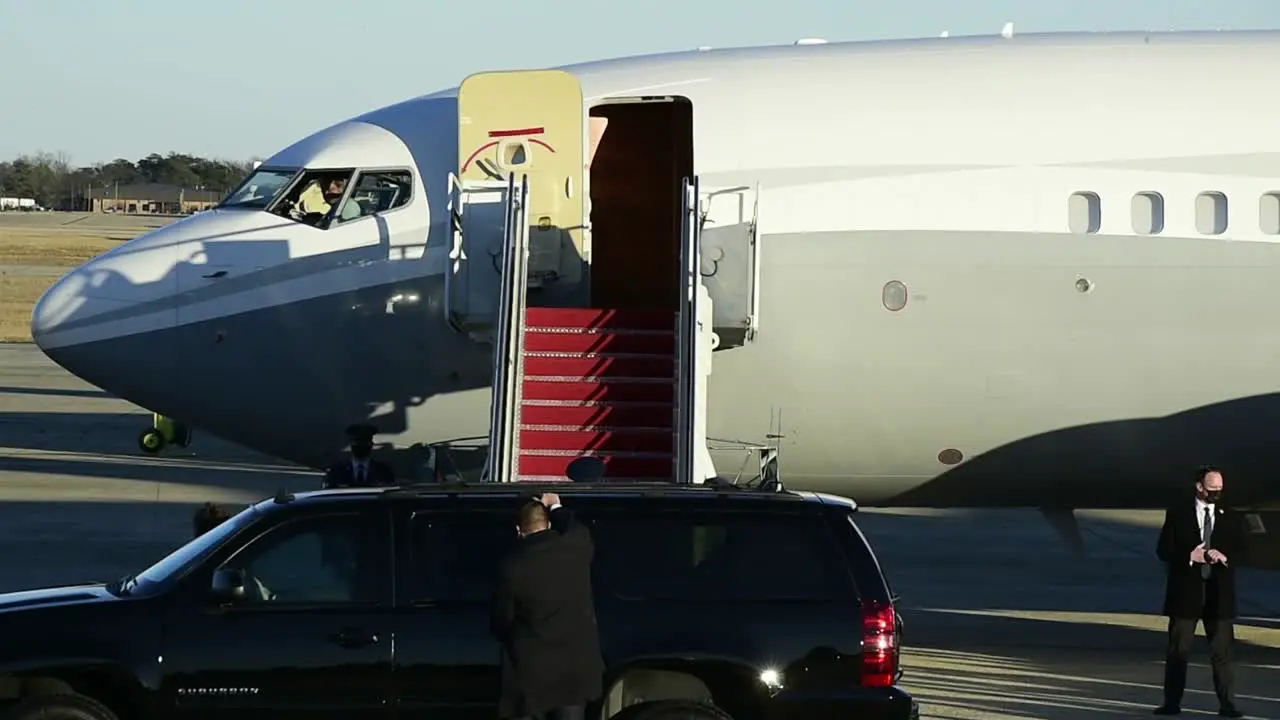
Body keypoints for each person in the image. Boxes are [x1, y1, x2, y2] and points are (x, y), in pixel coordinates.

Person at [491, 493, 604, 720]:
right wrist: (555, 505)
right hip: (575, 675)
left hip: (533, 675)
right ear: (549, 524)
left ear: (518, 530)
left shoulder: (511, 567)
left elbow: (502, 621)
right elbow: (574, 525)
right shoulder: (576, 546)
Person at [1153, 466, 1246, 718]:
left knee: (1222, 654)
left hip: (1218, 596)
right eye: (1212, 489)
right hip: (1186, 594)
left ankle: (1228, 705)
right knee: (1178, 652)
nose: (1216, 494)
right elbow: (1163, 550)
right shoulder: (1178, 514)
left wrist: (1224, 556)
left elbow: (1243, 550)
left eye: (1219, 490)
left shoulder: (1231, 516)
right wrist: (1188, 556)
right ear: (1199, 487)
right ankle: (1171, 704)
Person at [322, 424, 396, 489]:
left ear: (371, 445)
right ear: (351, 445)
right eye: (357, 442)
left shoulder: (383, 471)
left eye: (365, 442)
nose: (361, 446)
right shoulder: (337, 471)